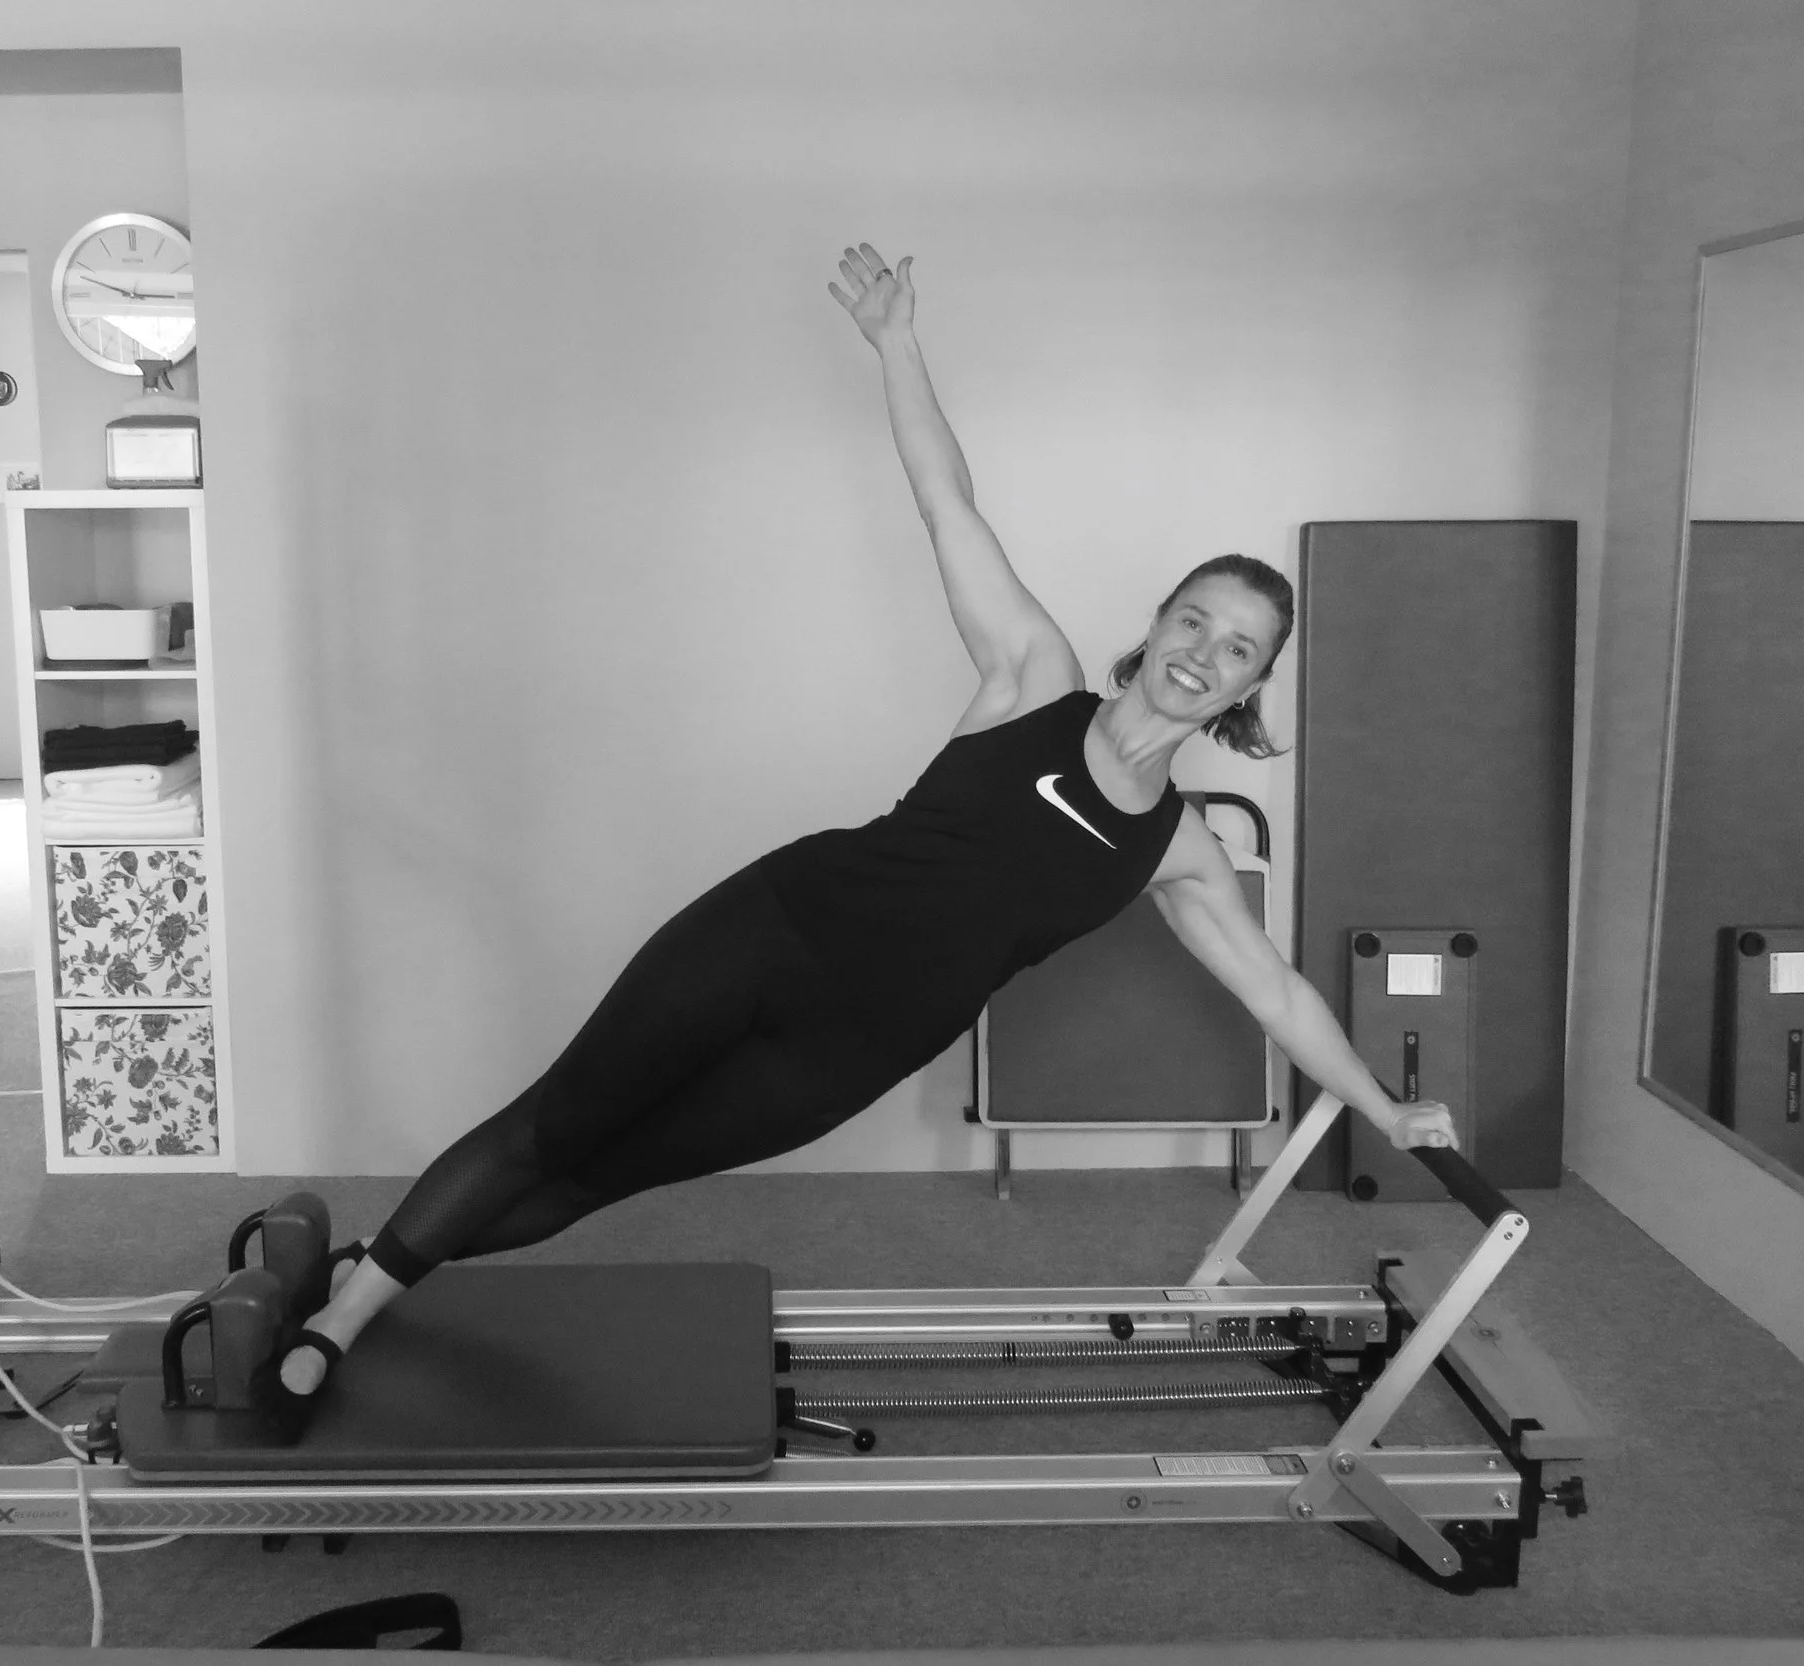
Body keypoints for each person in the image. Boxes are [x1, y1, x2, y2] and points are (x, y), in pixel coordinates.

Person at [265, 244, 1456, 1412]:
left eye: (1236, 648)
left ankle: (381, 1259)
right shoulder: (1034, 679)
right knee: (555, 1121)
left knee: (594, 1177)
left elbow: (1278, 995)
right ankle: (344, 1312)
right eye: (1194, 620)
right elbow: (948, 502)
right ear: (1156, 624)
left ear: (1250, 688)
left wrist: (1382, 1106)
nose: (1203, 653)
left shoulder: (1177, 848)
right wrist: (897, 342)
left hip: (848, 1052)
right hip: (774, 929)